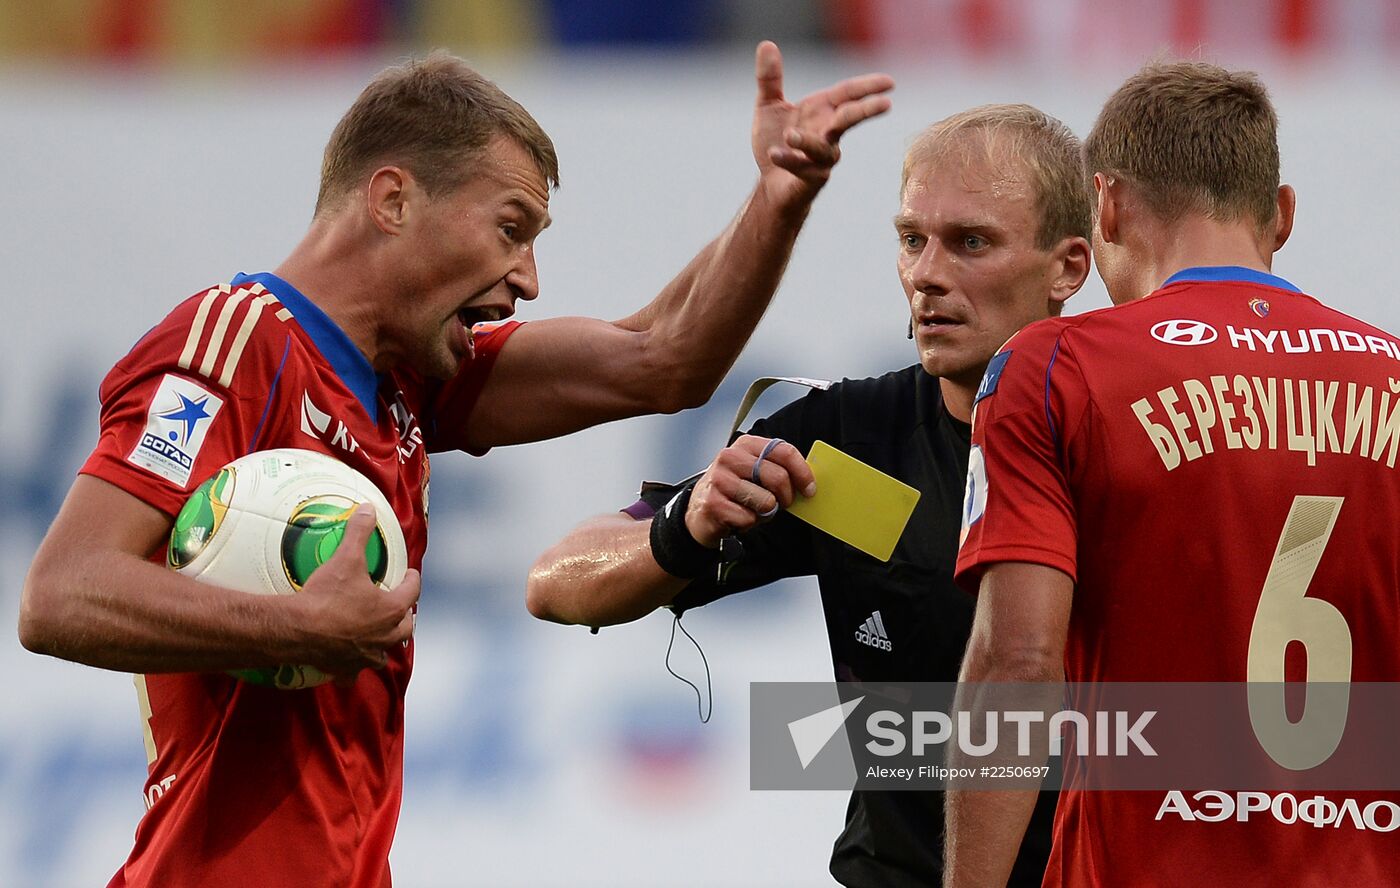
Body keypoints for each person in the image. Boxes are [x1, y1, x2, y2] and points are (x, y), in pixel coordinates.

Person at [17, 44, 893, 888]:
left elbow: (664, 358)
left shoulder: (404, 384)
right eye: (512, 229)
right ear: (393, 199)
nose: (531, 278)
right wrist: (297, 629)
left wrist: (780, 195)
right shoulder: (233, 345)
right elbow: (62, 593)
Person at [526, 104, 1092, 887]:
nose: (927, 273)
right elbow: (555, 583)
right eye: (911, 239)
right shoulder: (851, 449)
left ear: (1068, 266)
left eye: (971, 242)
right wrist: (681, 530)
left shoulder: (1140, 439)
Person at [948, 60, 1400, 886]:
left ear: (1108, 204)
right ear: (1283, 215)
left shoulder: (1058, 368)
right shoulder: (1392, 376)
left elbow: (1016, 660)